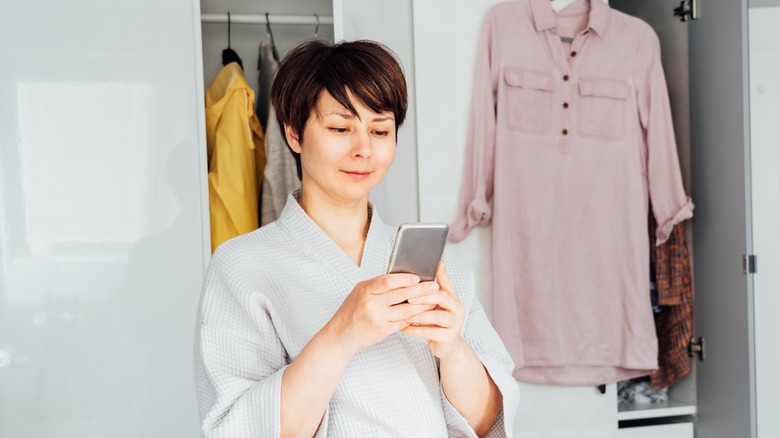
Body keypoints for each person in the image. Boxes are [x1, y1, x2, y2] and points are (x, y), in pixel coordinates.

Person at [194, 39, 519, 438]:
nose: (364, 149)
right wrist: (342, 333)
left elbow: (491, 423)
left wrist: (452, 349)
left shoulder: (441, 271)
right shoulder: (242, 267)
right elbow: (239, 430)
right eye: (340, 128)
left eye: (380, 130)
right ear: (293, 133)